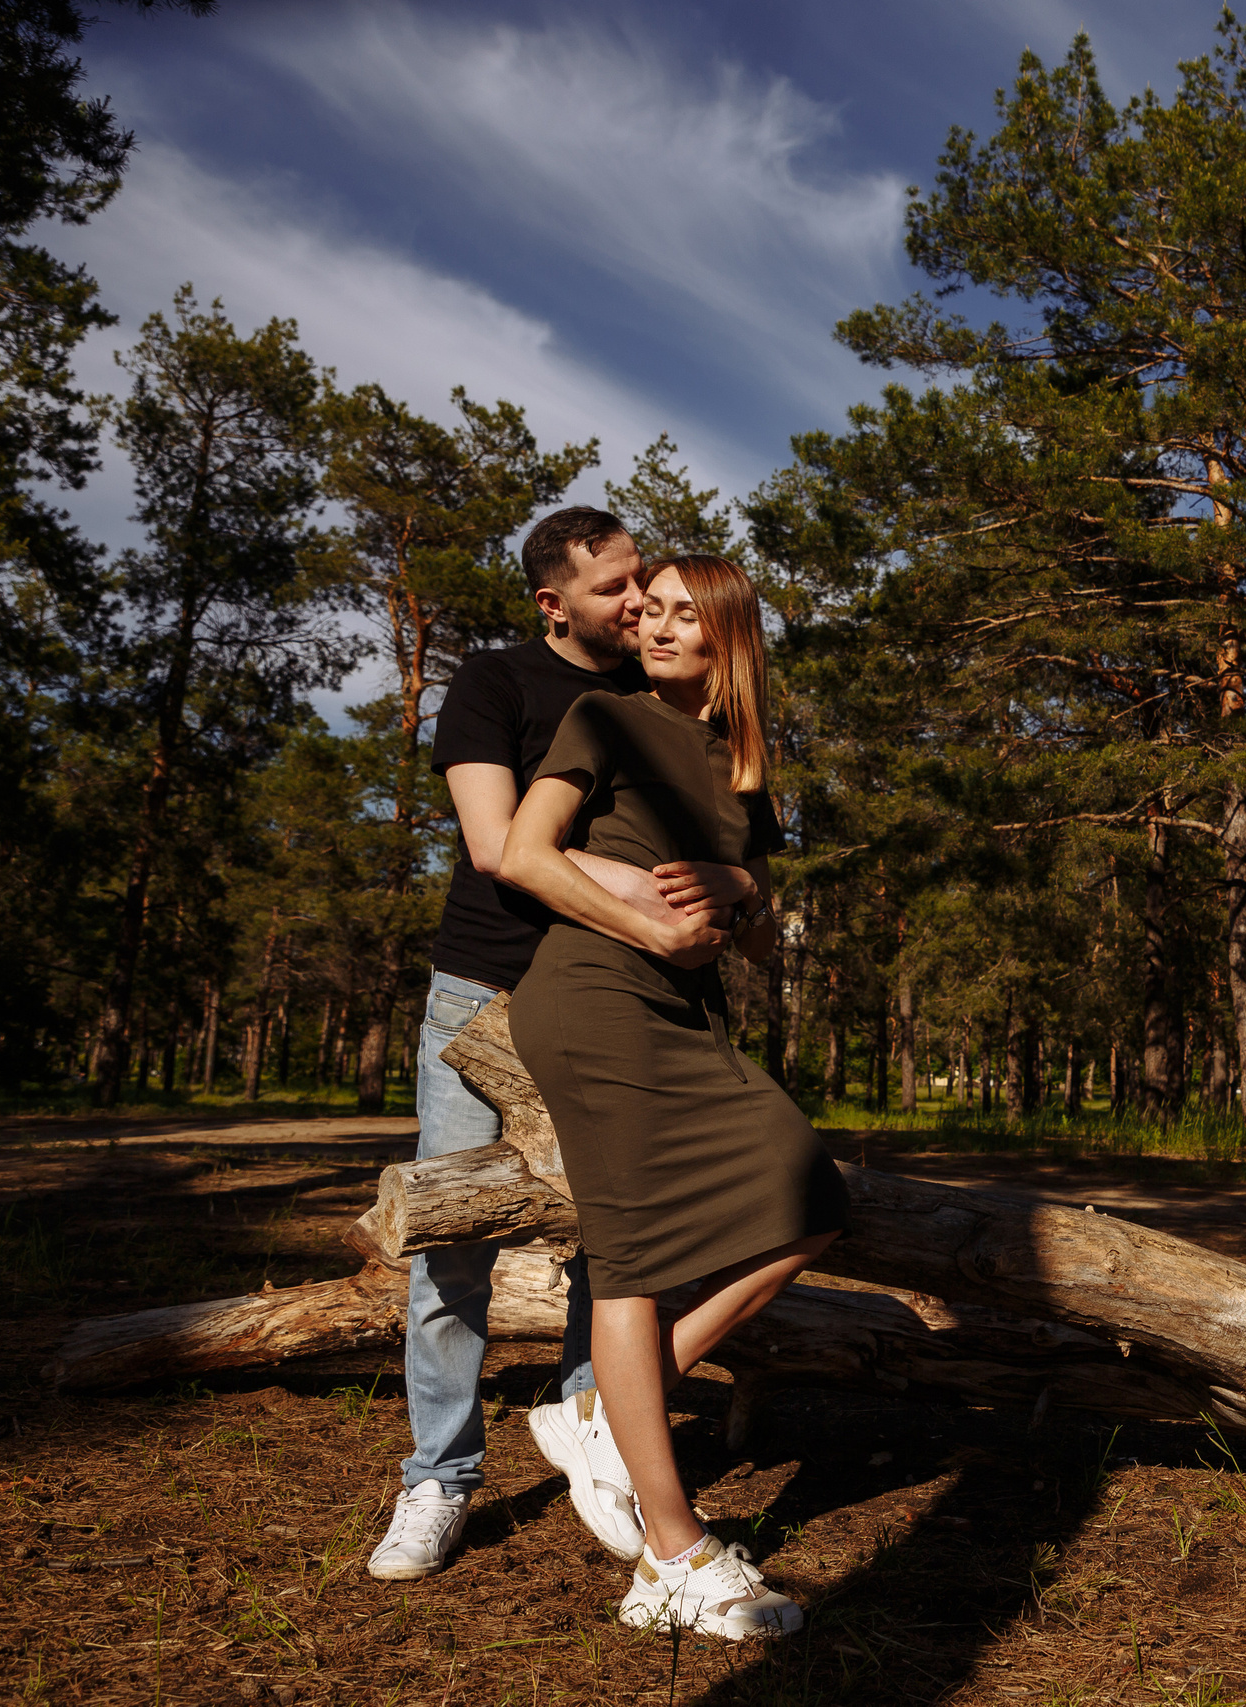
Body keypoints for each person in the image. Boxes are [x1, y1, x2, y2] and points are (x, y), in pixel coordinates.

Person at [367, 509, 764, 1582]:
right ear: (553, 604)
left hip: (614, 1003)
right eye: (614, 589)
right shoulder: (497, 684)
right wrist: (654, 895)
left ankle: (606, 1447)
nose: (639, 602)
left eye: (644, 580)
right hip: (484, 994)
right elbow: (499, 847)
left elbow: (729, 829)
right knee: (452, 1244)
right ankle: (438, 1479)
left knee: (616, 1243)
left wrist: (735, 883)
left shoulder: (660, 696)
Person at [497, 553, 845, 1640]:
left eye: (682, 615)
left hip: (685, 1013)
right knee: (633, 1261)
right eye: (647, 610)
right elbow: (522, 853)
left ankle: (604, 1409)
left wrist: (739, 886)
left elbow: (757, 919)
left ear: (726, 636)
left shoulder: (742, 765)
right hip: (594, 996)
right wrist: (652, 928)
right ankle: (673, 1554)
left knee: (811, 1195)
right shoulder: (604, 717)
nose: (653, 626)